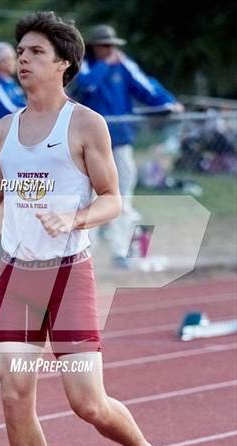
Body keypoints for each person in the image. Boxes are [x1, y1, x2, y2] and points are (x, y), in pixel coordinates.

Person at [0, 11, 183, 446]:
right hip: (19, 280)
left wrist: (71, 219)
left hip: (69, 275)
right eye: (19, 51)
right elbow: (3, 199)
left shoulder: (86, 125)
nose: (21, 60)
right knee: (13, 393)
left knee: (86, 403)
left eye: (33, 53)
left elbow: (113, 198)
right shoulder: (3, 129)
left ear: (64, 64)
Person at [74, 24, 183, 269]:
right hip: (91, 146)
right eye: (105, 45)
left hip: (120, 141)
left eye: (113, 45)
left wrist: (168, 102)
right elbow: (87, 85)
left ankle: (125, 253)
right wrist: (105, 65)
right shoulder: (86, 64)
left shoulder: (124, 64)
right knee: (89, 197)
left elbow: (146, 86)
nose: (111, 50)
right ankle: (84, 255)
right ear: (94, 47)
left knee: (123, 195)